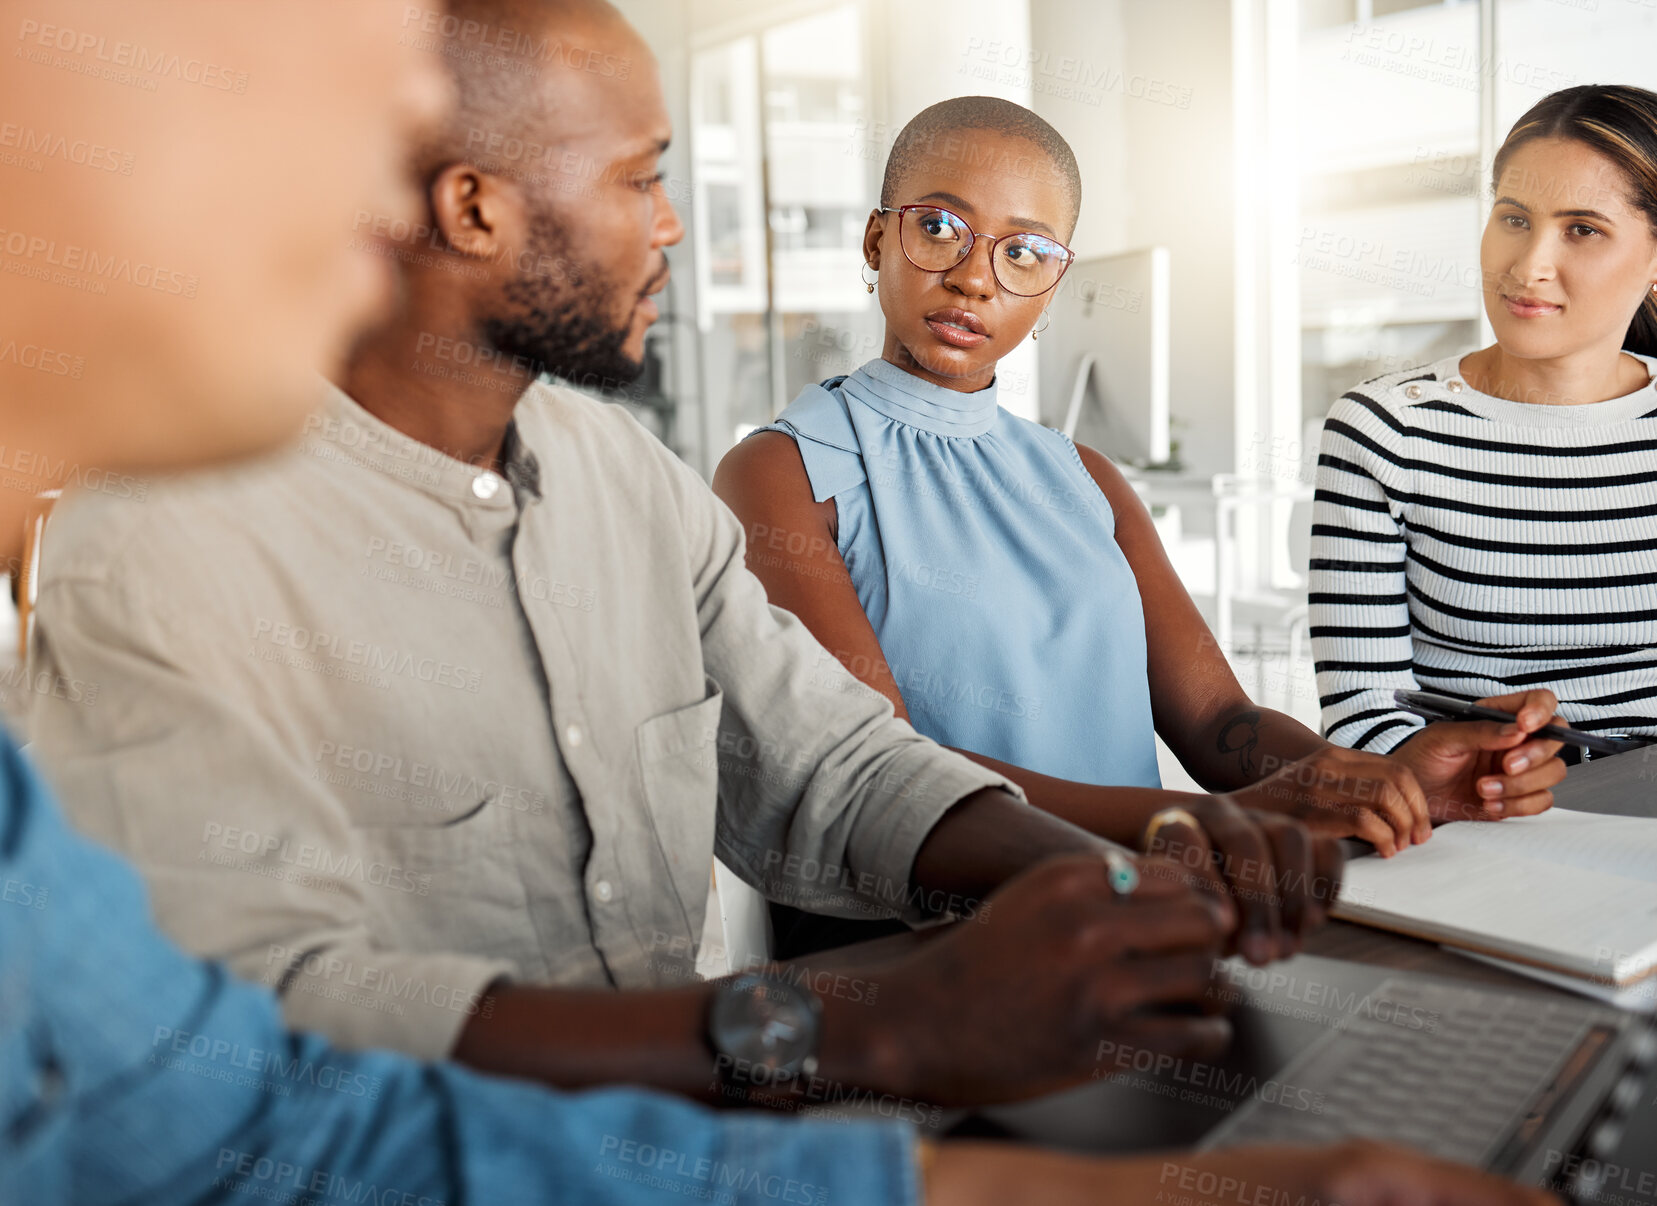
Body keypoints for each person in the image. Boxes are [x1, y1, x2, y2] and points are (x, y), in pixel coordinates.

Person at [0, 2, 1570, 1201]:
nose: (673, 229)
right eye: (639, 182)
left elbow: (834, 761)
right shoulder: (168, 537)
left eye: (1026, 251)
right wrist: (855, 1031)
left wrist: (1117, 864)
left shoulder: (617, 482)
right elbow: (268, 1045)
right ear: (476, 212)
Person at [710, 96, 1568, 953]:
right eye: (938, 228)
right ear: (875, 241)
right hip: (930, 969)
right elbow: (883, 779)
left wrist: (1374, 783)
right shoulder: (781, 473)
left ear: (1052, 286)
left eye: (1023, 252)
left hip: (1138, 932)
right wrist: (1206, 824)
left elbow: (1218, 723)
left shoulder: (1083, 477)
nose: (975, 277)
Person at [1312, 84, 1657, 762]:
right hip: (1481, 818)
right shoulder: (1382, 432)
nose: (1527, 267)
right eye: (1513, 219)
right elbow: (1361, 720)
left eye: (1582, 229)